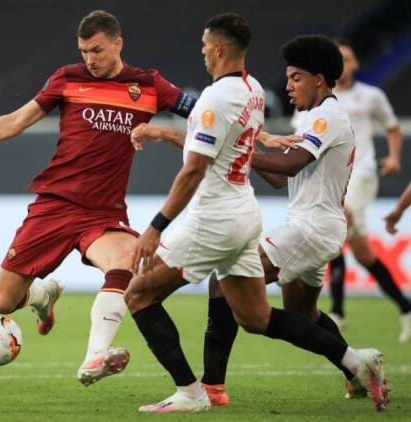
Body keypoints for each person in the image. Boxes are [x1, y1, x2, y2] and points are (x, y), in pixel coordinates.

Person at [125, 20, 387, 413]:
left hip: (310, 228)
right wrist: (186, 139)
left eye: (296, 78)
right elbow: (257, 167)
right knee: (301, 315)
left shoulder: (327, 117)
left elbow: (290, 165)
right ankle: (355, 366)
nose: (289, 86)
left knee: (214, 290)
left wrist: (233, 150)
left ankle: (211, 385)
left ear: (319, 80)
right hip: (315, 225)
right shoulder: (279, 104)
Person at [0, 10, 195, 386]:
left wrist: (252, 136)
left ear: (118, 44)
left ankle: (94, 357)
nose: (90, 59)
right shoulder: (68, 78)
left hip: (103, 213)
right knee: (2, 303)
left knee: (125, 263)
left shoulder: (149, 85)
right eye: (84, 51)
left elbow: (205, 117)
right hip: (54, 205)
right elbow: (18, 120)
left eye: (97, 50)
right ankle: (41, 296)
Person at [318, 39, 410, 341]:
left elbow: (393, 127)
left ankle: (338, 311)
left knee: (337, 221)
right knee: (361, 251)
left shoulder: (370, 96)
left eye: (347, 58)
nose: (343, 64)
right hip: (334, 176)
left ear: (356, 64)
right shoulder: (321, 98)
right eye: (337, 59)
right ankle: (406, 307)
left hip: (364, 172)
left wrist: (395, 157)